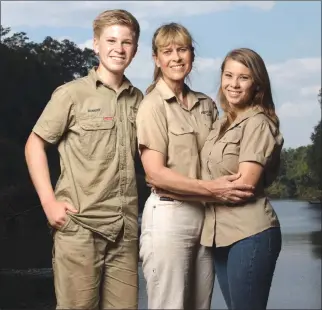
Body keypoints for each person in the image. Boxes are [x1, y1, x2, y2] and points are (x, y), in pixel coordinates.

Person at [24, 9, 143, 310]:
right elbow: (34, 145)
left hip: (125, 232)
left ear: (135, 49)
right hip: (79, 228)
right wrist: (49, 203)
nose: (119, 48)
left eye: (126, 42)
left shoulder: (141, 101)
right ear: (96, 44)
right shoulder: (71, 95)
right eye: (111, 40)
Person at [136, 23, 254, 310]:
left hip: (208, 219)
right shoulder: (152, 105)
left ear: (192, 55)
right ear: (156, 59)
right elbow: (155, 173)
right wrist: (212, 189)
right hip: (169, 216)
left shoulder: (206, 105)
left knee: (201, 305)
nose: (176, 57)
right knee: (169, 305)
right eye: (168, 52)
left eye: (182, 50)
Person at [156, 47, 284, 310]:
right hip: (218, 236)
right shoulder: (221, 124)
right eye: (228, 76)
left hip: (250, 234)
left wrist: (180, 191)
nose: (234, 84)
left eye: (243, 78)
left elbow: (244, 185)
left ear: (257, 84)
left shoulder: (257, 122)